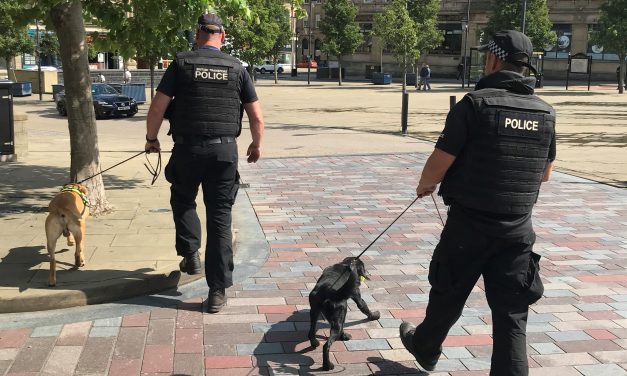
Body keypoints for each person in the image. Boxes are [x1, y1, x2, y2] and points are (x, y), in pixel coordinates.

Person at [399, 30, 556, 376]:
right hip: (517, 230)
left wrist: (425, 186)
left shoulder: (474, 104)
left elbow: (438, 164)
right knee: (512, 317)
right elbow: (545, 174)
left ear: (493, 59)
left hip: (468, 226)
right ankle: (425, 345)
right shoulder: (545, 113)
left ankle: (426, 347)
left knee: (447, 295)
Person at [144, 13, 265, 314]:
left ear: (198, 35)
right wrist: (256, 144)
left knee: (184, 200)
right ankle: (217, 292)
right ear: (221, 37)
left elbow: (158, 107)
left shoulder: (182, 64)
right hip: (224, 153)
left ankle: (190, 253)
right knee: (220, 217)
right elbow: (256, 116)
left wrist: (151, 139)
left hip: (188, 150)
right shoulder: (237, 68)